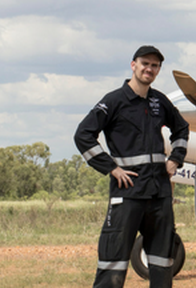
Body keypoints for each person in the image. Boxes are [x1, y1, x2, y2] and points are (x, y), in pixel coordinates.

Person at [74, 45, 189, 288]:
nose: (149, 69)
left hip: (159, 195)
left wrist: (176, 158)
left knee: (162, 262)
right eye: (145, 63)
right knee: (113, 262)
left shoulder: (160, 101)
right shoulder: (114, 101)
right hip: (128, 193)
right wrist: (111, 168)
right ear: (133, 65)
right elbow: (83, 135)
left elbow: (182, 128)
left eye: (155, 66)